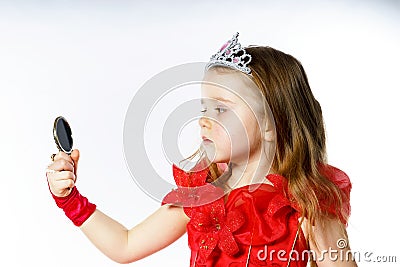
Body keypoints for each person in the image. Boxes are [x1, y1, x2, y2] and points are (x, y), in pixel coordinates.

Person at [46, 33, 357, 266]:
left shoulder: (307, 206)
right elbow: (126, 246)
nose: (204, 121)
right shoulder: (201, 197)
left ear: (269, 123)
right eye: (204, 108)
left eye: (221, 110)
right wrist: (69, 200)